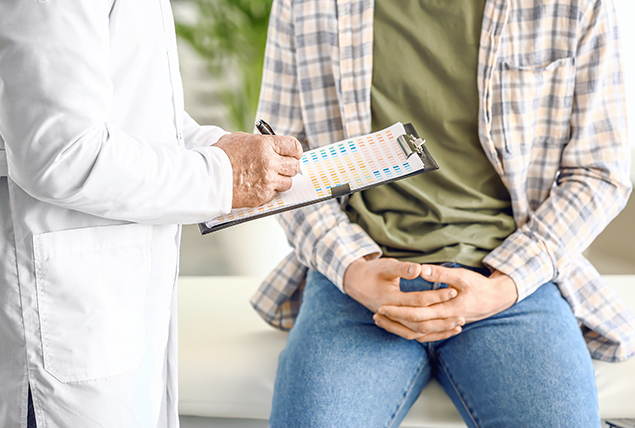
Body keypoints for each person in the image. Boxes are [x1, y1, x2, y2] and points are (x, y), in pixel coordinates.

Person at [250, 0, 635, 426]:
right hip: (359, 277)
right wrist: (352, 270)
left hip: (508, 278)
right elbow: (282, 168)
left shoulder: (584, 5)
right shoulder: (306, 6)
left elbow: (599, 173)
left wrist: (504, 286)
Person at [0, 2, 302, 427]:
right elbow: (59, 152)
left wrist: (221, 148)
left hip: (114, 304)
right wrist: (222, 175)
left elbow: (138, 109)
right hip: (66, 316)